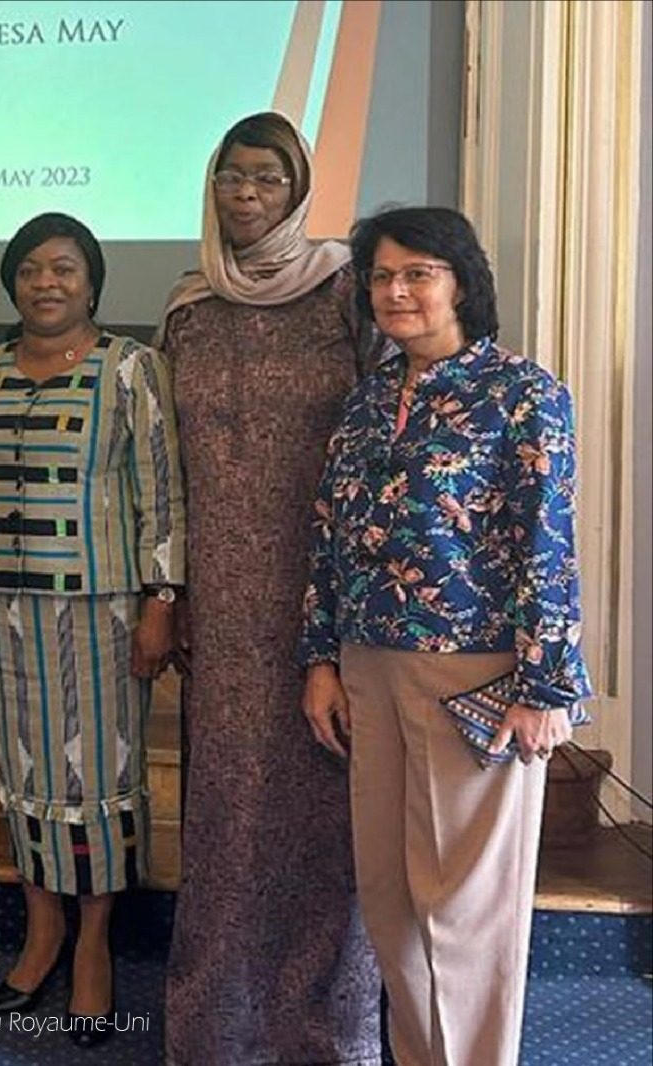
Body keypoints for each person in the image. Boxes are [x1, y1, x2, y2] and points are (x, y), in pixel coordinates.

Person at [300, 206, 591, 1066]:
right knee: (391, 904)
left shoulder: (523, 393)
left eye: (418, 273)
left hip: (477, 679)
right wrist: (321, 660)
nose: (396, 291)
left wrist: (546, 688)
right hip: (369, 670)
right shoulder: (363, 402)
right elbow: (328, 536)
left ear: (462, 280)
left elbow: (549, 542)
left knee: (462, 916)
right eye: (382, 276)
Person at [159, 112, 383, 1064]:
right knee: (230, 814)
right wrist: (167, 591)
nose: (245, 194)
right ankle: (219, 1032)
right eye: (230, 176)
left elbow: (382, 444)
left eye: (267, 178)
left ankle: (324, 1032)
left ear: (297, 187)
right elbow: (163, 464)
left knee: (327, 813)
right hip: (220, 597)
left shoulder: (347, 293)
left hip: (327, 592)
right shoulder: (187, 306)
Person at [0, 212, 186, 1049]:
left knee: (98, 781)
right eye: (31, 270)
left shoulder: (131, 369)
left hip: (103, 613)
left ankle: (92, 944)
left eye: (65, 270)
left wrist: (162, 599)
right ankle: (40, 929)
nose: (47, 284)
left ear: (92, 283)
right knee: (25, 775)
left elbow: (162, 493)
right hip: (9, 614)